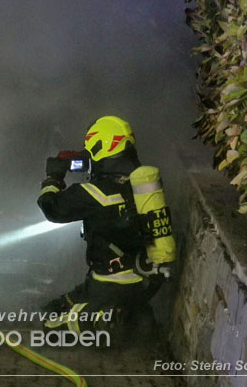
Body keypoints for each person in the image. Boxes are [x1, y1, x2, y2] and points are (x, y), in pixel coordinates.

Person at [37, 115, 175, 331]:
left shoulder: (95, 193)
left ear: (102, 148)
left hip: (109, 283)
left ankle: (108, 317)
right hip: (143, 281)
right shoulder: (141, 186)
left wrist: (53, 179)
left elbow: (52, 208)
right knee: (56, 306)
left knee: (49, 324)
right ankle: (133, 313)